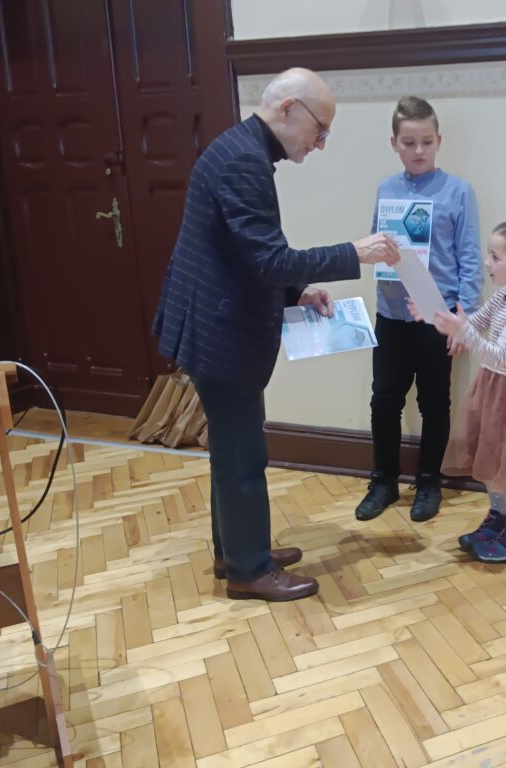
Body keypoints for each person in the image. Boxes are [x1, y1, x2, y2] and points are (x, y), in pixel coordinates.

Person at [152, 68, 399, 601]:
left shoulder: (240, 148)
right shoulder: (244, 160)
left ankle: (236, 550)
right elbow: (268, 258)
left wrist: (297, 292)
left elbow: (246, 254)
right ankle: (249, 570)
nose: (321, 143)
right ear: (289, 109)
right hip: (221, 334)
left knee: (231, 449)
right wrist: (353, 253)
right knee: (243, 455)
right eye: (320, 129)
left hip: (213, 324)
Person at [355, 96, 483, 524]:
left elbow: (469, 257)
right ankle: (383, 481)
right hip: (391, 315)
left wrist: (465, 318)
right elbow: (375, 244)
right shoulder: (386, 190)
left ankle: (429, 481)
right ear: (394, 143)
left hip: (436, 317)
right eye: (409, 142)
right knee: (383, 401)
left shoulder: (458, 191)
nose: (418, 150)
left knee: (434, 403)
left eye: (426, 141)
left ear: (439, 140)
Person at [413, 221, 506, 564]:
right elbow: (476, 322)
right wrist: (437, 317)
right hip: (495, 389)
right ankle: (498, 521)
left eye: (495, 257)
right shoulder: (504, 295)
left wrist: (462, 331)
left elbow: (499, 354)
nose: (486, 263)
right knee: (493, 462)